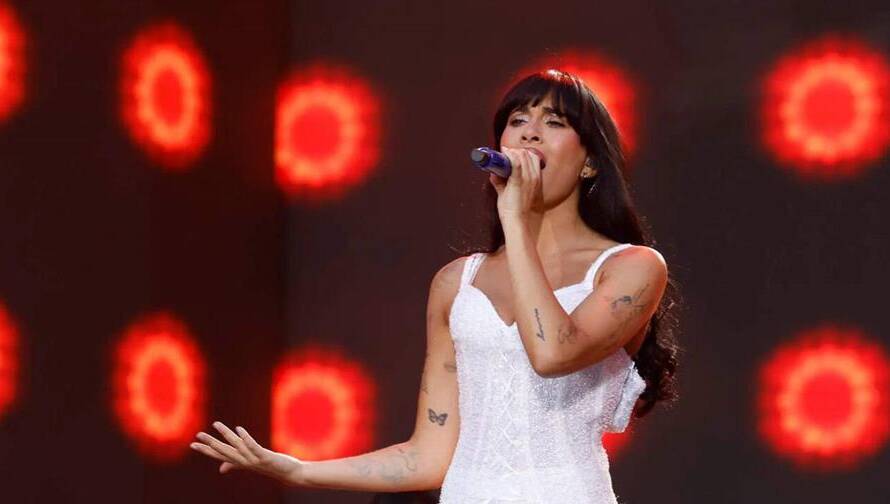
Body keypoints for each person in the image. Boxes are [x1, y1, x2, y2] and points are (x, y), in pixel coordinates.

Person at [190, 69, 681, 503]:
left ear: (590, 162)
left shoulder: (630, 268)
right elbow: (429, 455)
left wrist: (515, 218)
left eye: (554, 123)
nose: (530, 132)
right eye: (518, 120)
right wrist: (299, 471)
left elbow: (552, 352)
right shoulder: (455, 283)